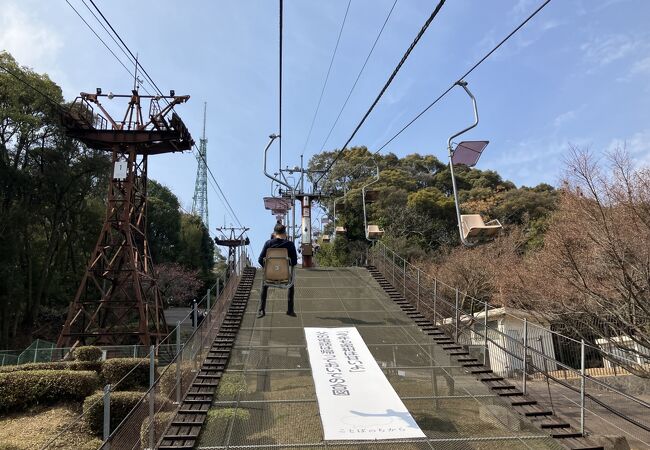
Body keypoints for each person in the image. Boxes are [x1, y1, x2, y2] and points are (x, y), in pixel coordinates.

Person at [257, 222, 298, 318]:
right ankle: (290, 310)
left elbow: (260, 259)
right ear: (285, 233)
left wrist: (268, 267)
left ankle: (261, 310)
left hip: (270, 275)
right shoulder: (290, 245)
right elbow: (294, 262)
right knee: (291, 285)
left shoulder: (268, 243)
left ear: (274, 233)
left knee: (264, 284)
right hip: (284, 275)